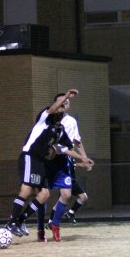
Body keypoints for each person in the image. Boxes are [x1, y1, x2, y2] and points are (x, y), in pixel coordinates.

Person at [5, 89, 92, 242]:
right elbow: (52, 108)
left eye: (62, 105)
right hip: (29, 156)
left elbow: (67, 149)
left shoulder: (60, 130)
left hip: (40, 161)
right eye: (58, 104)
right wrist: (65, 96)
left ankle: (20, 220)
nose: (60, 106)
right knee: (26, 189)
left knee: (44, 195)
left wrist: (83, 159)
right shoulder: (44, 118)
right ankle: (12, 222)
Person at [44, 93, 93, 241]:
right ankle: (19, 221)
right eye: (61, 101)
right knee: (41, 195)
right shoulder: (48, 119)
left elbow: (77, 141)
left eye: (67, 101)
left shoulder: (71, 121)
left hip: (64, 159)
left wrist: (84, 157)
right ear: (55, 104)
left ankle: (55, 225)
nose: (65, 103)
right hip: (49, 160)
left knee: (66, 195)